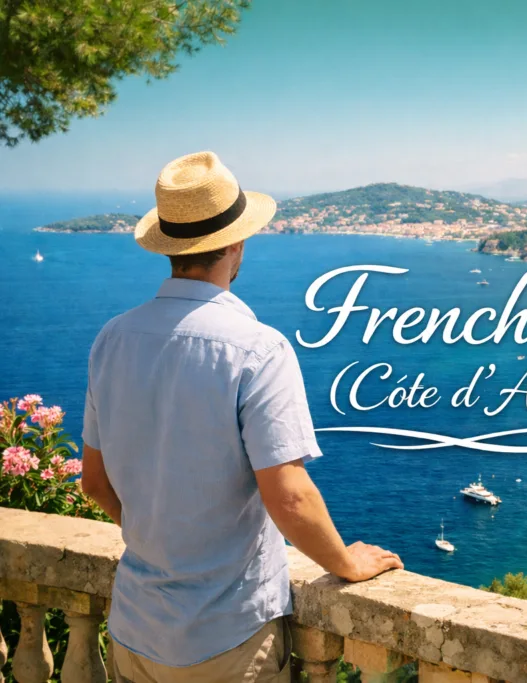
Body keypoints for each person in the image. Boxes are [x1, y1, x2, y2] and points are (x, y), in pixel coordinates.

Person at [80, 151, 402, 682]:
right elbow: (289, 495)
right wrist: (346, 563)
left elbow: (93, 481)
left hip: (135, 628)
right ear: (236, 243)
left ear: (170, 248)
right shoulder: (258, 348)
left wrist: (161, 539)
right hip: (225, 636)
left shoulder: (112, 339)